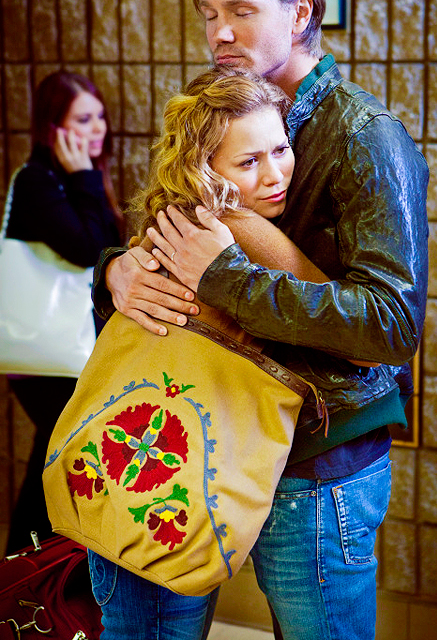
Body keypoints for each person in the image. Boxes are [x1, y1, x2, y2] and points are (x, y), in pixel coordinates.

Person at [93, 0, 429, 640]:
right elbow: (168, 226)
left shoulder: (365, 136)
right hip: (204, 434)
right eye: (209, 13)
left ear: (301, 12)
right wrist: (116, 270)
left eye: (241, 10)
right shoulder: (220, 108)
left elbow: (392, 324)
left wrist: (228, 279)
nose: (219, 32)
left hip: (319, 455)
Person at [87, 66, 379, 640]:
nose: (275, 175)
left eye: (281, 149)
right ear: (204, 170)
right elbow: (360, 344)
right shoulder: (237, 227)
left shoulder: (169, 220)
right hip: (171, 478)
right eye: (248, 162)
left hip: (135, 468)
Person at [6, 70, 122, 554]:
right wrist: (83, 179)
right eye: (83, 119)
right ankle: (23, 570)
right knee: (58, 459)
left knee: (58, 456)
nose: (97, 129)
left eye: (100, 117)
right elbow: (90, 251)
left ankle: (27, 570)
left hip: (63, 354)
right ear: (52, 127)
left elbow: (105, 250)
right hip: (44, 361)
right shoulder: (38, 180)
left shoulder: (72, 179)